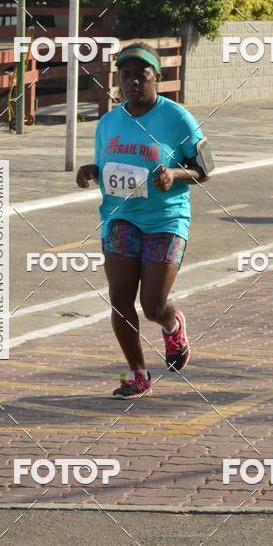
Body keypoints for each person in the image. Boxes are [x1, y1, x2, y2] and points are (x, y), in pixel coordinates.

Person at [76, 42, 210, 399]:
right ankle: (137, 374)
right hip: (120, 218)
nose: (133, 82)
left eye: (142, 75)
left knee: (151, 305)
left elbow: (205, 169)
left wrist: (174, 175)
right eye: (126, 76)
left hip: (166, 220)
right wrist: (91, 170)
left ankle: (172, 322)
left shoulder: (177, 118)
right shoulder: (108, 122)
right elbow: (108, 167)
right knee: (120, 299)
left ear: (157, 78)